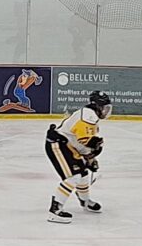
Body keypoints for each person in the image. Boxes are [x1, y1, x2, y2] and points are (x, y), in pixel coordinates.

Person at [45, 90, 110, 222]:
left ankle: (85, 201)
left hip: (67, 145)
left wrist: (90, 158)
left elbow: (81, 142)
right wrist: (92, 153)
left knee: (83, 174)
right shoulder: (88, 117)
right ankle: (55, 210)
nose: (106, 111)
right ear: (97, 106)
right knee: (73, 176)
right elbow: (86, 141)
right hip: (58, 145)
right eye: (104, 107)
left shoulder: (90, 115)